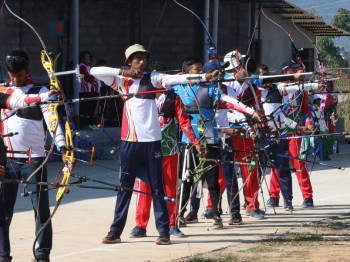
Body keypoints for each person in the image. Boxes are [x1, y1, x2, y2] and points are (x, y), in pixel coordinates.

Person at [90, 44, 219, 245]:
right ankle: (115, 231)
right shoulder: (120, 81)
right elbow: (94, 71)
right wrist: (124, 72)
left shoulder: (154, 78)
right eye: (137, 59)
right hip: (130, 142)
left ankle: (163, 231)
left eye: (144, 59)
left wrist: (205, 77)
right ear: (129, 61)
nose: (142, 62)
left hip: (152, 143)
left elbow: (179, 78)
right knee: (125, 188)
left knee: (158, 189)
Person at [170, 57, 261, 229]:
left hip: (209, 140)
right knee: (187, 180)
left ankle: (216, 215)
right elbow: (163, 82)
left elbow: (231, 101)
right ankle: (180, 214)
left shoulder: (211, 89)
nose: (198, 72)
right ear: (188, 72)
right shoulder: (179, 87)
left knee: (212, 181)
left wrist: (251, 112)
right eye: (195, 69)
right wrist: (181, 76)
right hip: (188, 141)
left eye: (200, 69)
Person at [0, 49, 65, 262]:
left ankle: (42, 252)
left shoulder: (41, 89)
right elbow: (18, 100)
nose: (15, 80)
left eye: (19, 75)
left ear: (27, 70)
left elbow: (53, 123)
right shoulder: (3, 90)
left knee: (40, 209)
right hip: (7, 160)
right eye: (12, 76)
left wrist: (63, 147)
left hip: (34, 159)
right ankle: (3, 255)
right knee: (3, 209)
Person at [258, 61, 321, 210]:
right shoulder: (276, 87)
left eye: (294, 70)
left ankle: (307, 196)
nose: (292, 73)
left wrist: (308, 123)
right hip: (277, 131)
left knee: (298, 163)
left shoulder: (300, 90)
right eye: (289, 71)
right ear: (283, 73)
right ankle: (274, 196)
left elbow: (305, 110)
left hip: (294, 131)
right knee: (277, 163)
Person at [78, 50, 99, 128]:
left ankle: (91, 125)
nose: (89, 58)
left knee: (91, 110)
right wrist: (93, 76)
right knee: (85, 110)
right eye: (87, 57)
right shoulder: (82, 66)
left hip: (90, 91)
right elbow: (89, 79)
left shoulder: (88, 66)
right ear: (83, 58)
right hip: (84, 91)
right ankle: (85, 125)